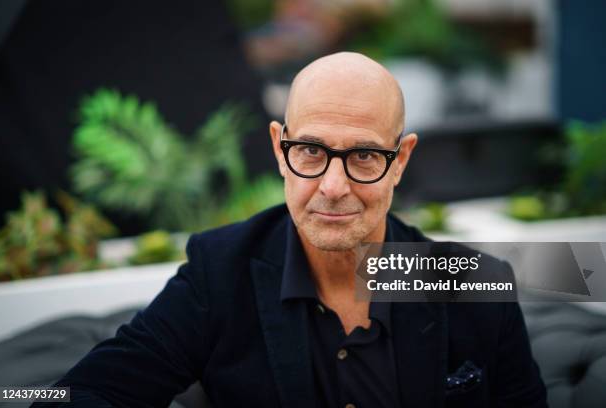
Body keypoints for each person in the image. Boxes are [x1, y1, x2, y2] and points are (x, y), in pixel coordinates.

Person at [36, 52, 547, 407]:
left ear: (400, 160)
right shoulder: (220, 272)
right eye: (311, 151)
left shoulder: (473, 280)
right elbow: (80, 394)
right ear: (281, 149)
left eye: (365, 156)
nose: (331, 186)